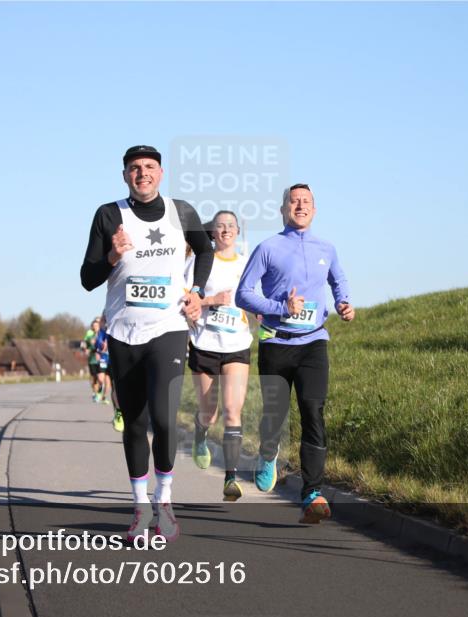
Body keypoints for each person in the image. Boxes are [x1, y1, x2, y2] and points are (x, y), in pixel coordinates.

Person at [80, 145, 214, 542]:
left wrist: (198, 292)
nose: (142, 173)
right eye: (135, 168)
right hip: (123, 330)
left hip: (168, 327)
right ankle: (139, 509)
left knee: (164, 417)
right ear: (125, 176)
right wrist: (111, 255)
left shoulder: (181, 211)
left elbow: (204, 250)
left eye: (150, 167)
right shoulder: (109, 215)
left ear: (161, 173)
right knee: (135, 422)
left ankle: (165, 503)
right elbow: (88, 278)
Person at [235, 183, 354, 523]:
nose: (300, 206)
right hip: (275, 341)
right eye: (294, 201)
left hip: (314, 341)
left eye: (306, 202)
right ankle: (268, 453)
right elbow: (243, 294)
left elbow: (338, 280)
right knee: (275, 415)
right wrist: (279, 307)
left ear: (314, 210)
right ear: (283, 209)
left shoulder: (327, 248)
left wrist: (344, 302)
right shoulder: (268, 247)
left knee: (313, 410)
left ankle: (312, 492)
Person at [185, 211, 252, 501]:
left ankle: (230, 478)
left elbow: (256, 297)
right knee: (209, 413)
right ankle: (200, 434)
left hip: (237, 344)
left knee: (232, 411)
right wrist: (212, 300)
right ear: (212, 232)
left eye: (230, 226)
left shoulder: (247, 264)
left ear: (238, 232)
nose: (225, 230)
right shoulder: (199, 262)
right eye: (219, 226)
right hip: (205, 344)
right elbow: (184, 299)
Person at [82, 318, 102, 401]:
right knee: (94, 378)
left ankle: (99, 393)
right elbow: (83, 345)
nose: (95, 327)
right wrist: (85, 349)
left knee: (100, 378)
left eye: (96, 326)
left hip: (102, 360)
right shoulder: (89, 335)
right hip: (92, 359)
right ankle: (95, 393)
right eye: (93, 326)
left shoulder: (102, 335)